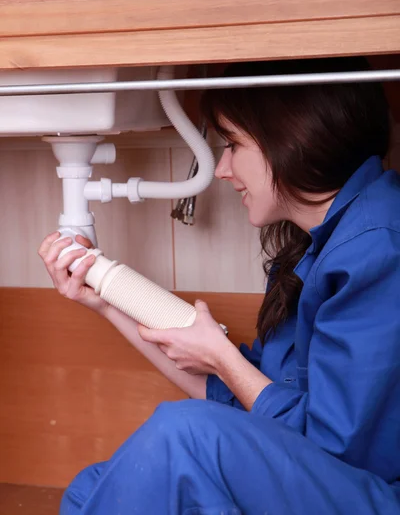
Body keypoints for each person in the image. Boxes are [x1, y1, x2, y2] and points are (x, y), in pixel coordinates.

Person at [39, 57, 400, 515]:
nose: (223, 169)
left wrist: (225, 359)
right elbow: (241, 395)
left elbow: (335, 451)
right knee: (92, 489)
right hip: (317, 482)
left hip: (370, 496)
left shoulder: (379, 248)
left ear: (293, 136)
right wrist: (105, 302)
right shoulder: (323, 249)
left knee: (184, 435)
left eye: (232, 144)